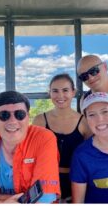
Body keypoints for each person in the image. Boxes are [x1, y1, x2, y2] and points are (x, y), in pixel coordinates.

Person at [33, 73, 91, 202]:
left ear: (73, 92)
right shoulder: (39, 120)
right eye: (55, 91)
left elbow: (90, 156)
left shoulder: (84, 122)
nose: (60, 96)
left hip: (77, 181)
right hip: (47, 181)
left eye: (65, 90)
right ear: (50, 93)